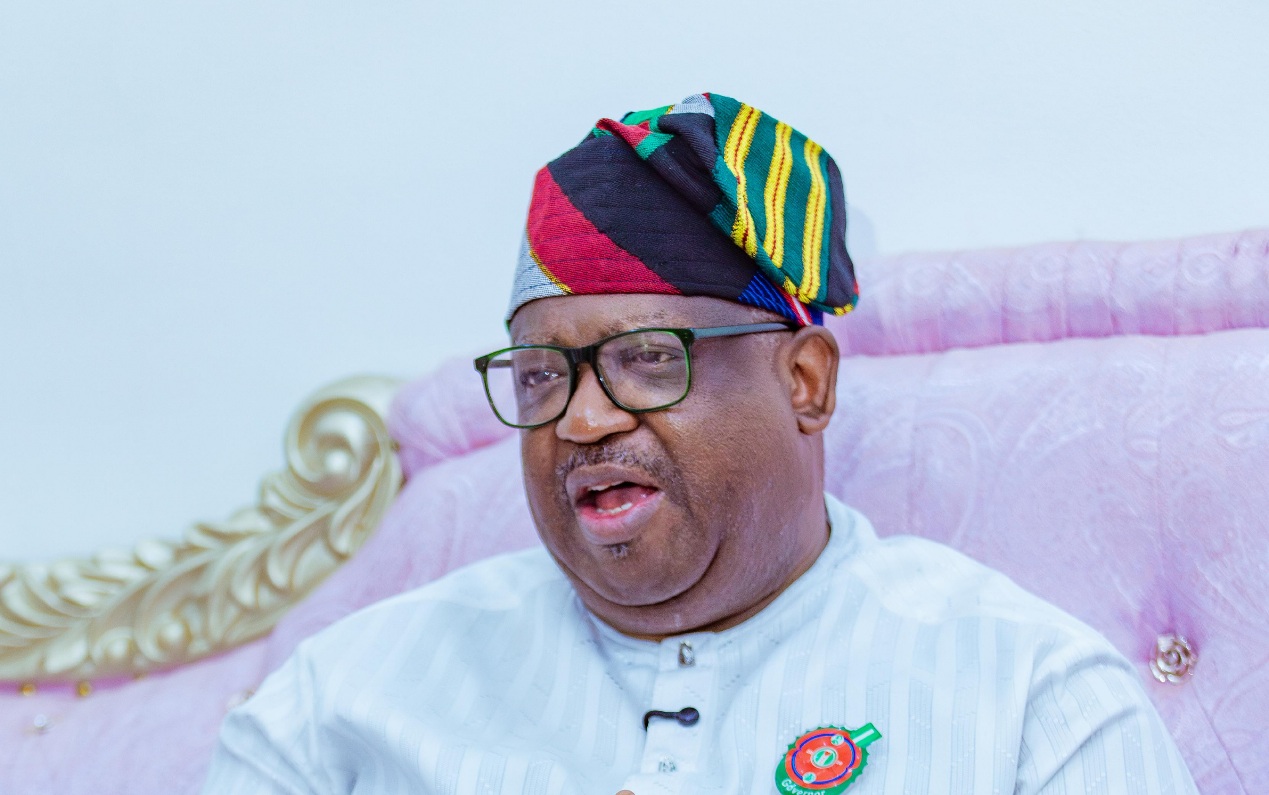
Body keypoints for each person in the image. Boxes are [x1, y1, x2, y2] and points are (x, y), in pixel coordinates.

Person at [202, 93, 1198, 794]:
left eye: (646, 360)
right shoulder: (339, 703)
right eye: (542, 376)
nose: (581, 422)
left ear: (804, 382)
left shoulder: (1029, 696)